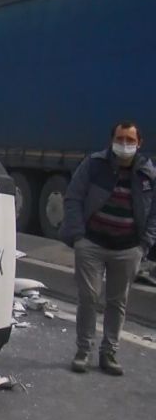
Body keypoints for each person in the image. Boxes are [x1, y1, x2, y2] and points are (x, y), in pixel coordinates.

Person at [60, 121, 156, 376]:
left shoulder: (147, 173)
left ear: (140, 143)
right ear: (112, 140)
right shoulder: (94, 165)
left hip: (128, 249)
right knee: (89, 298)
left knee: (117, 302)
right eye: (120, 139)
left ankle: (109, 353)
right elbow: (73, 197)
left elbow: (154, 212)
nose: (125, 145)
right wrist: (79, 237)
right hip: (92, 244)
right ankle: (84, 350)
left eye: (130, 140)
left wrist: (144, 245)